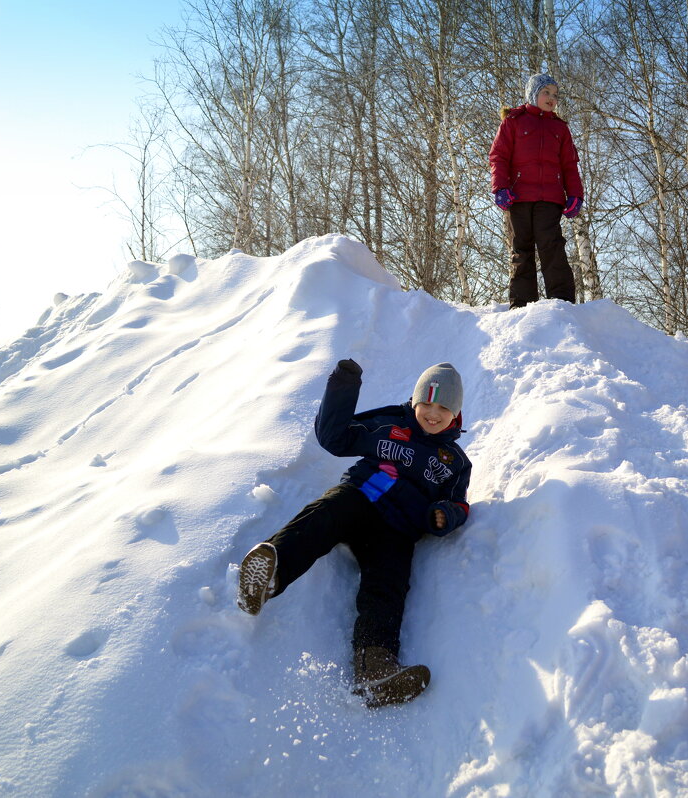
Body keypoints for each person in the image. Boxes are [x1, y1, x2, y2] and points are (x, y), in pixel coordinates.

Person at [236, 359, 472, 708]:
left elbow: (460, 504)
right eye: (427, 403)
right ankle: (268, 574)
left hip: (397, 529)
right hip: (362, 496)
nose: (433, 414)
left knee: (388, 587)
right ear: (415, 401)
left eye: (444, 408)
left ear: (456, 415)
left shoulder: (454, 461)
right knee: (323, 517)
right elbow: (335, 437)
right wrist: (342, 389)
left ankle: (375, 668)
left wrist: (445, 515)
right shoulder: (391, 423)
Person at [488, 73, 585, 309]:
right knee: (521, 250)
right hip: (517, 197)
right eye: (546, 92)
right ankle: (521, 305)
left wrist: (575, 194)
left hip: (549, 199)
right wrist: (500, 187)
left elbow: (569, 164)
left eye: (555, 94)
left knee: (552, 246)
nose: (552, 98)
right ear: (533, 94)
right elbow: (498, 156)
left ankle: (561, 302)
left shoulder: (559, 128)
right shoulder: (513, 121)